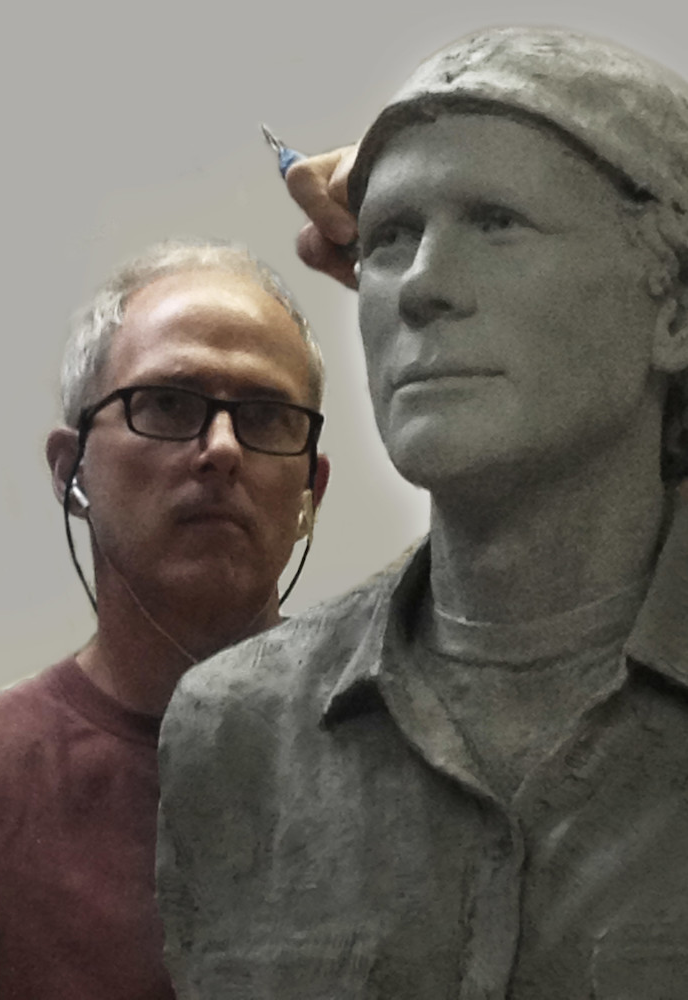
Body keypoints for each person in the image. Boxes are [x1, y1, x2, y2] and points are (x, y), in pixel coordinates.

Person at [157, 27, 688, 1000]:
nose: (424, 288)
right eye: (391, 238)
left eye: (498, 221)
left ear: (674, 312)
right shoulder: (232, 733)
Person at [0, 239, 329, 999]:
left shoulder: (412, 766)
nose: (221, 450)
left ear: (312, 486)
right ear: (70, 470)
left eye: (266, 415)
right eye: (169, 405)